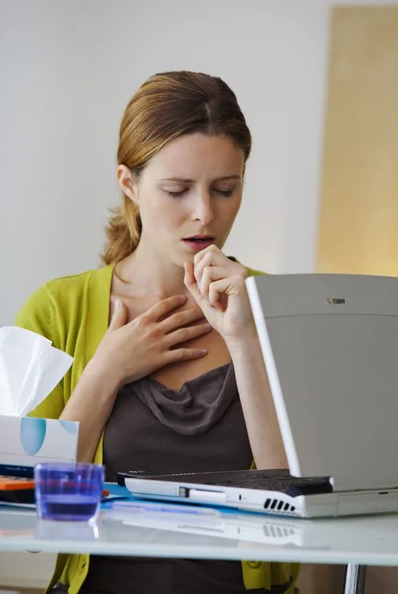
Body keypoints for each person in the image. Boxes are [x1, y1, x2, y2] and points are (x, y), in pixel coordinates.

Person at [15, 71, 299, 593]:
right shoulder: (57, 312)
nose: (204, 214)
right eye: (177, 189)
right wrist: (105, 372)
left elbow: (302, 505)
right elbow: (30, 520)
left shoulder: (282, 309)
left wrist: (247, 341)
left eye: (225, 189)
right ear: (129, 184)